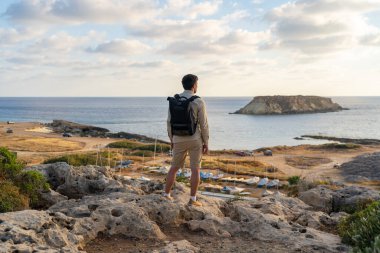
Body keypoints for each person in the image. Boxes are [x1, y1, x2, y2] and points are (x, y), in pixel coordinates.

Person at [163, 74, 209, 207]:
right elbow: (204, 124)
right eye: (197, 84)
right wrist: (206, 142)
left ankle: (166, 195)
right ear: (194, 85)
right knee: (195, 169)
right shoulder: (199, 101)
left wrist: (172, 139)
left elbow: (169, 122)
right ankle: (193, 199)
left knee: (173, 168)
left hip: (178, 139)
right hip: (195, 139)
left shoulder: (175, 100)